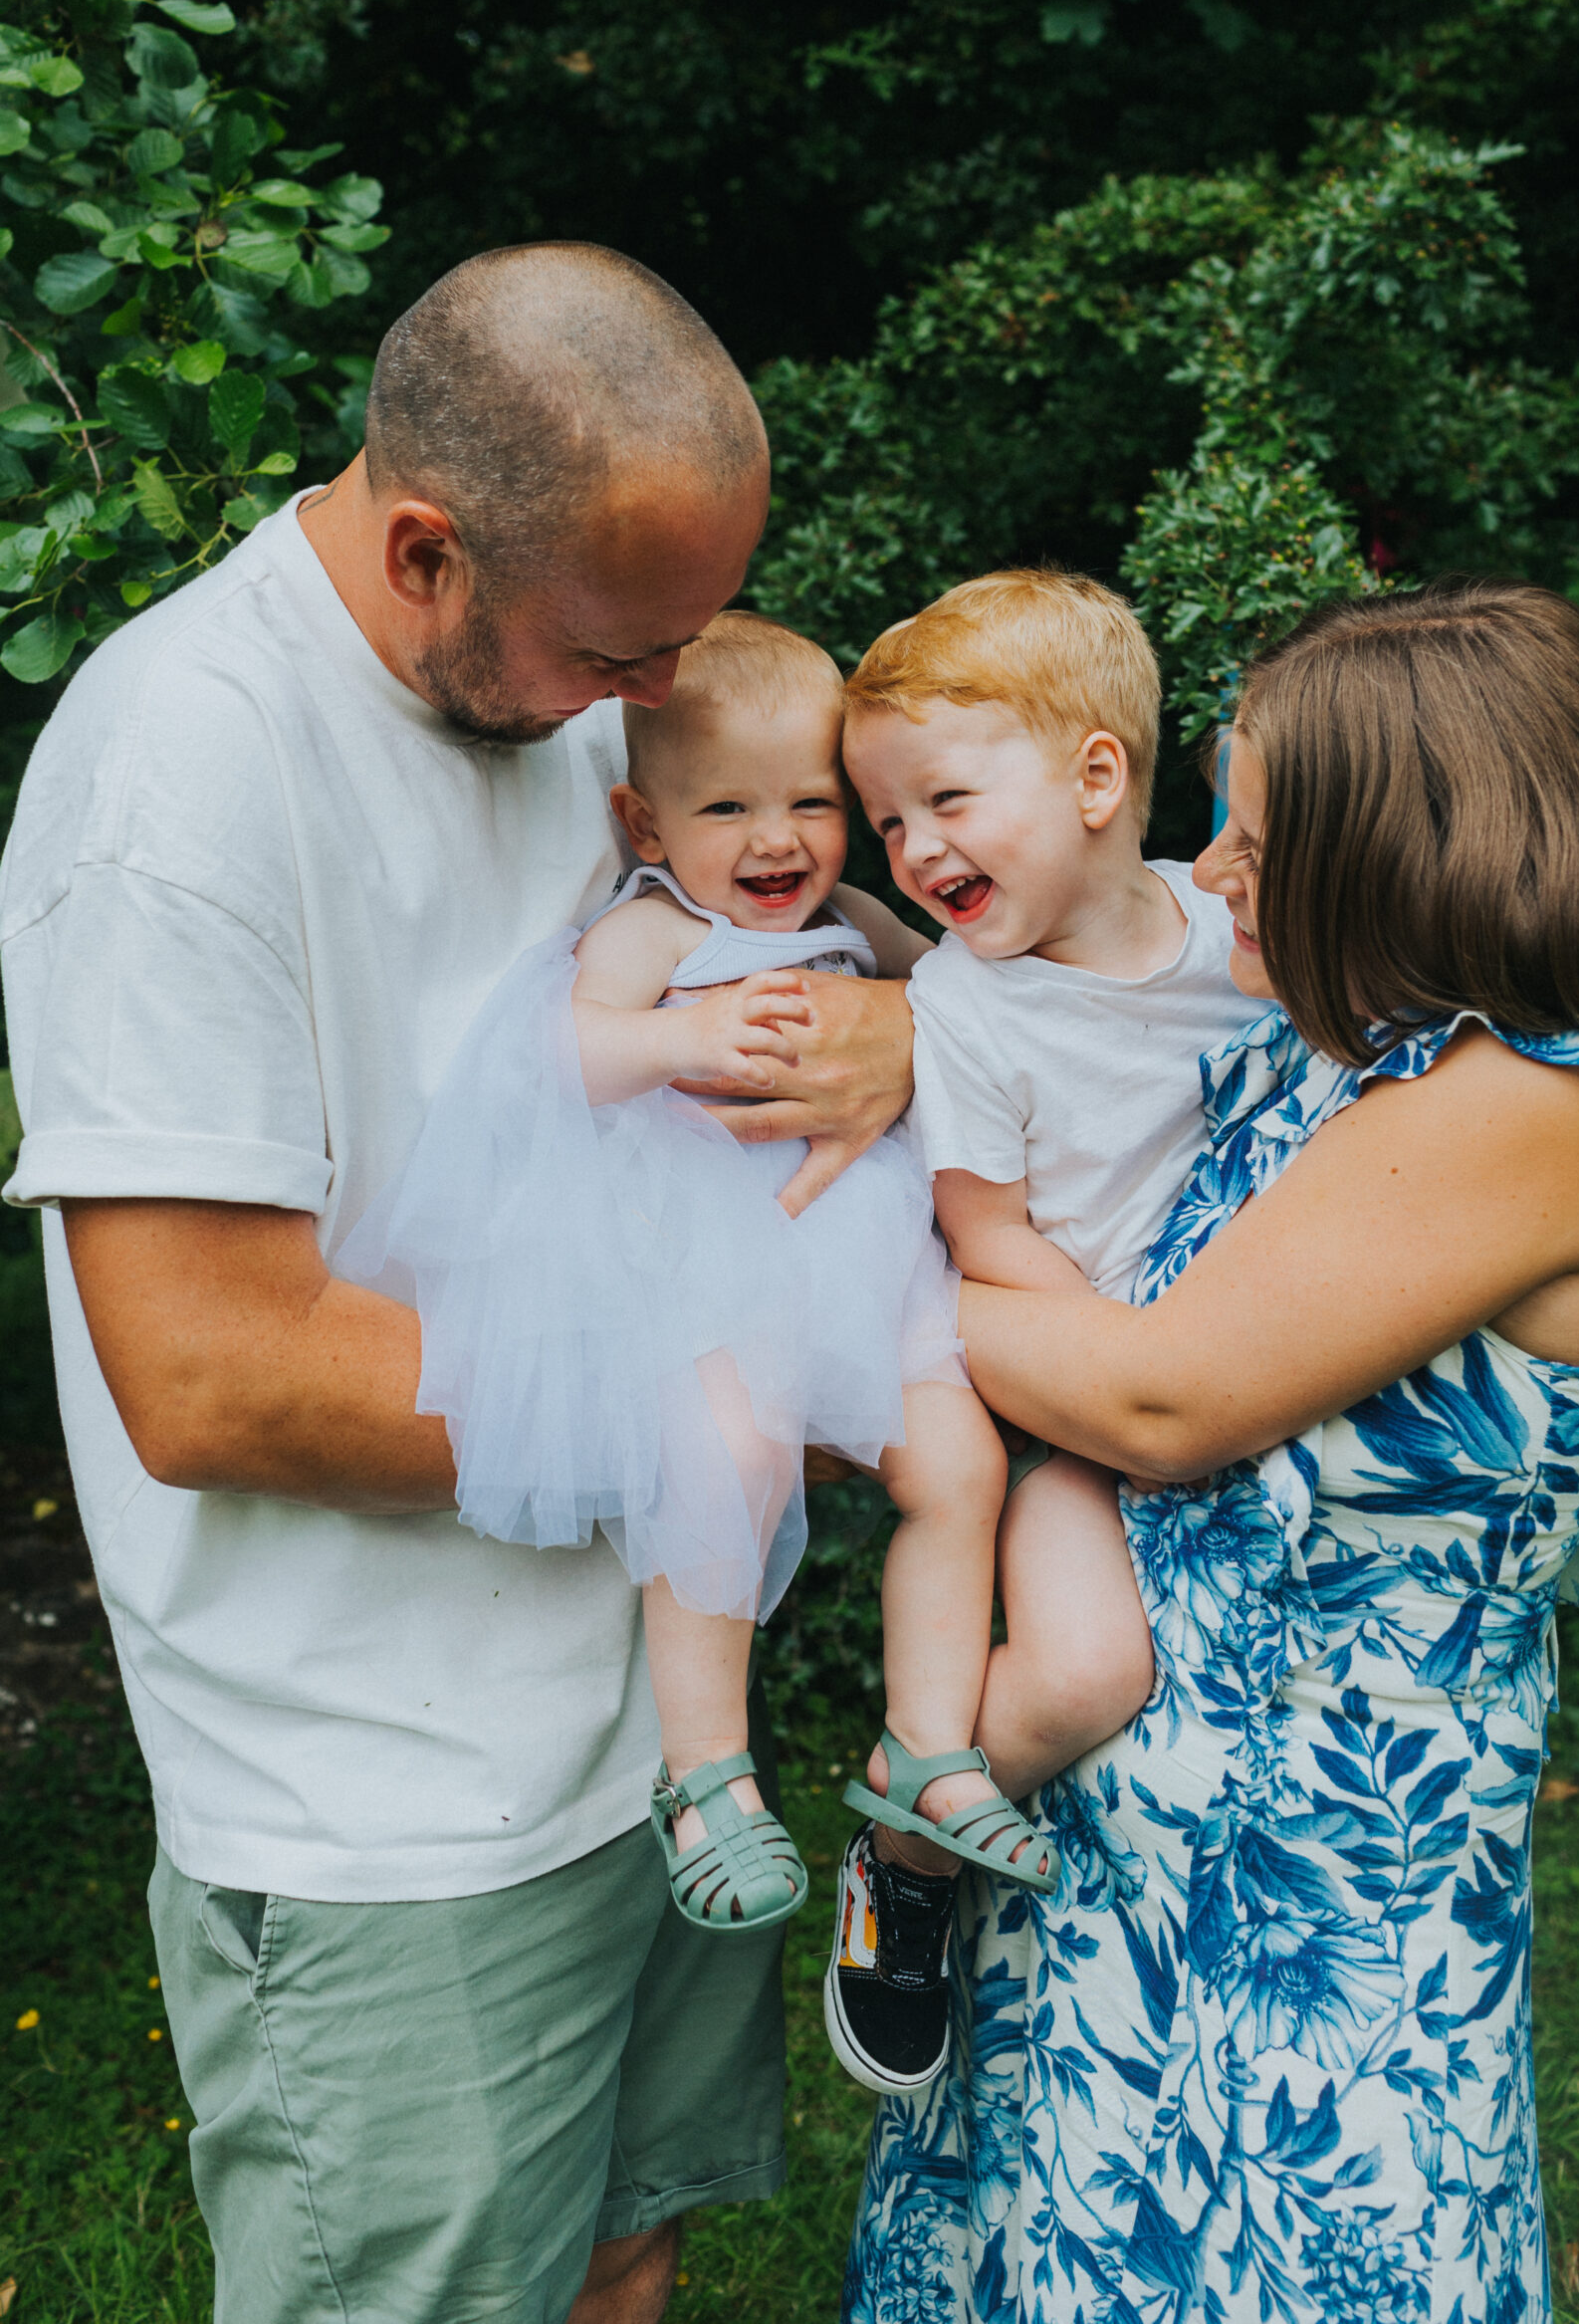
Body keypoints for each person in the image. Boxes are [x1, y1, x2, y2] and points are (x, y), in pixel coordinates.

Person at [0, 241, 914, 2324]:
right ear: (426, 547)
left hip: (647, 1744)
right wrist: (735, 1390)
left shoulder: (561, 687)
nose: (656, 695)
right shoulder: (183, 779)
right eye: (620, 648)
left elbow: (755, 911)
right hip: (388, 1813)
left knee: (625, 2262)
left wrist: (911, 1031)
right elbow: (218, 1374)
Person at [844, 577, 1579, 2324]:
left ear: (1409, 848)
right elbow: (1066, 1066)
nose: (1211, 874)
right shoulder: (1353, 1054)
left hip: (1321, 1903)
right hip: (1121, 1847)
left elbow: (1160, 1396)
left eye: (1251, 844)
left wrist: (858, 1305)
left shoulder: (1533, 1107)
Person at [339, 606, 1054, 1975]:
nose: (777, 839)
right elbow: (555, 1052)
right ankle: (707, 1777)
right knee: (728, 1464)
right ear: (647, 824)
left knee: (961, 1469)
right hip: (708, 1260)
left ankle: (928, 1744)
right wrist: (678, 1034)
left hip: (871, 1248)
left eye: (808, 801)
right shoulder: (653, 928)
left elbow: (970, 1001)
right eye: (728, 806)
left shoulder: (852, 920)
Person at [829, 568, 1251, 2094]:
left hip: (1256, 1357)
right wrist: (1148, 1368)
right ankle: (901, 1859)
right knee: (1078, 1674)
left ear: (1096, 777)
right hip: (1075, 1389)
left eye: (945, 798)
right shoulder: (966, 1008)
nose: (916, 847)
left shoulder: (1230, 927)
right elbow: (989, 1239)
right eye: (887, 823)